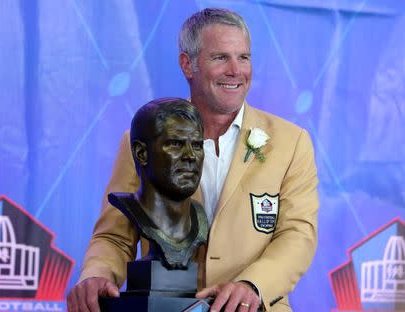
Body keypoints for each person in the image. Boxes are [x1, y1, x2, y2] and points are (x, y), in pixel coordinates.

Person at [67, 8, 318, 312]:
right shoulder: (144, 139)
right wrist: (97, 275)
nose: (235, 70)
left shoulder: (291, 143)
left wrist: (253, 285)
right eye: (220, 57)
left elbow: (298, 234)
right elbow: (114, 235)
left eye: (244, 57)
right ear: (188, 64)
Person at [107, 97, 209, 270]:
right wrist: (98, 275)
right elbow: (112, 238)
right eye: (175, 144)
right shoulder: (129, 208)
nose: (190, 156)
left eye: (197, 146)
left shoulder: (198, 216)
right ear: (141, 153)